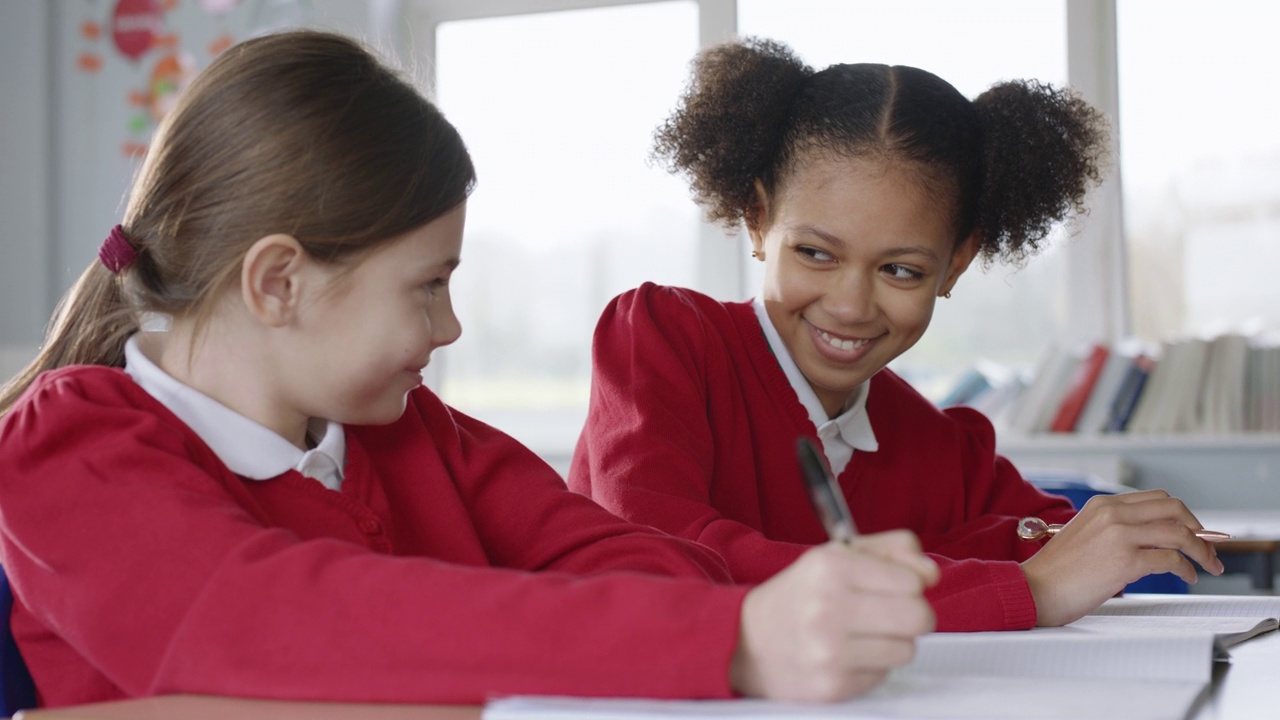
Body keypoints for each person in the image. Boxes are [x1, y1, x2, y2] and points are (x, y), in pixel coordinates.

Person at [0, 31, 940, 708]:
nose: (448, 327)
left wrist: (740, 620)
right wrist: (725, 643)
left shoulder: (413, 432)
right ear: (280, 280)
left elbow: (636, 560)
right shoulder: (69, 443)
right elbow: (281, 619)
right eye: (426, 286)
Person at [569, 37, 1224, 632]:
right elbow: (662, 560)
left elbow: (1052, 540)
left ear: (955, 265)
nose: (851, 305)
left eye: (901, 270)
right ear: (760, 221)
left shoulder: (942, 449)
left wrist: (1086, 542)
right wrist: (1026, 589)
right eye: (817, 254)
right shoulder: (665, 344)